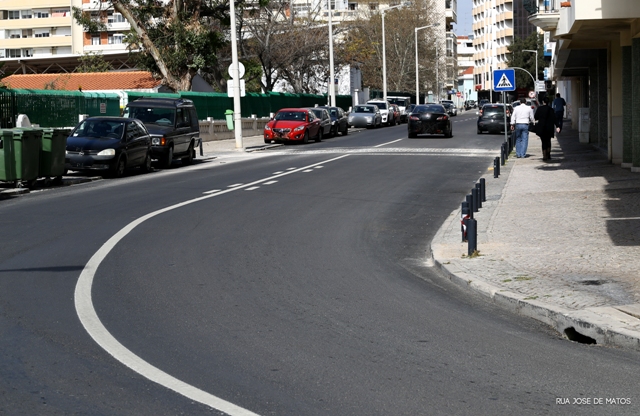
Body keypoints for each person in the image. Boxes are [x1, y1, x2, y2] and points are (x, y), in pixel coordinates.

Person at [535, 96, 561, 161]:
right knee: (548, 141)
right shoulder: (551, 109)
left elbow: (536, 117)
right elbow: (554, 118)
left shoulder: (539, 109)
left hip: (542, 127)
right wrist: (558, 126)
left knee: (543, 141)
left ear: (543, 102)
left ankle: (544, 155)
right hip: (549, 127)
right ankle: (548, 154)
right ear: (548, 102)